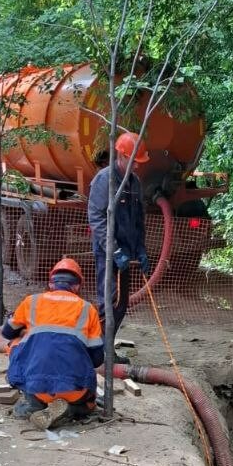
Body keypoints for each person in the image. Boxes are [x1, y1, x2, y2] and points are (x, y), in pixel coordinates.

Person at [0, 257, 104, 430]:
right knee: (88, 402)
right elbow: (97, 359)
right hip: (75, 390)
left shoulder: (31, 301)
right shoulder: (88, 309)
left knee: (23, 344)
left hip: (39, 389)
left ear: (51, 284)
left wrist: (29, 333)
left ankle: (35, 405)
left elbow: (6, 333)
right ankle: (74, 409)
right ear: (77, 286)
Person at [87, 131, 150, 346]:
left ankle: (107, 347)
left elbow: (138, 219)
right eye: (134, 161)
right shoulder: (104, 180)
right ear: (122, 156)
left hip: (128, 252)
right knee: (109, 303)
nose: (137, 166)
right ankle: (101, 351)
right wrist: (113, 251)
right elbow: (96, 219)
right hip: (108, 253)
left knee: (122, 304)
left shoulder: (135, 183)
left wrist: (140, 249)